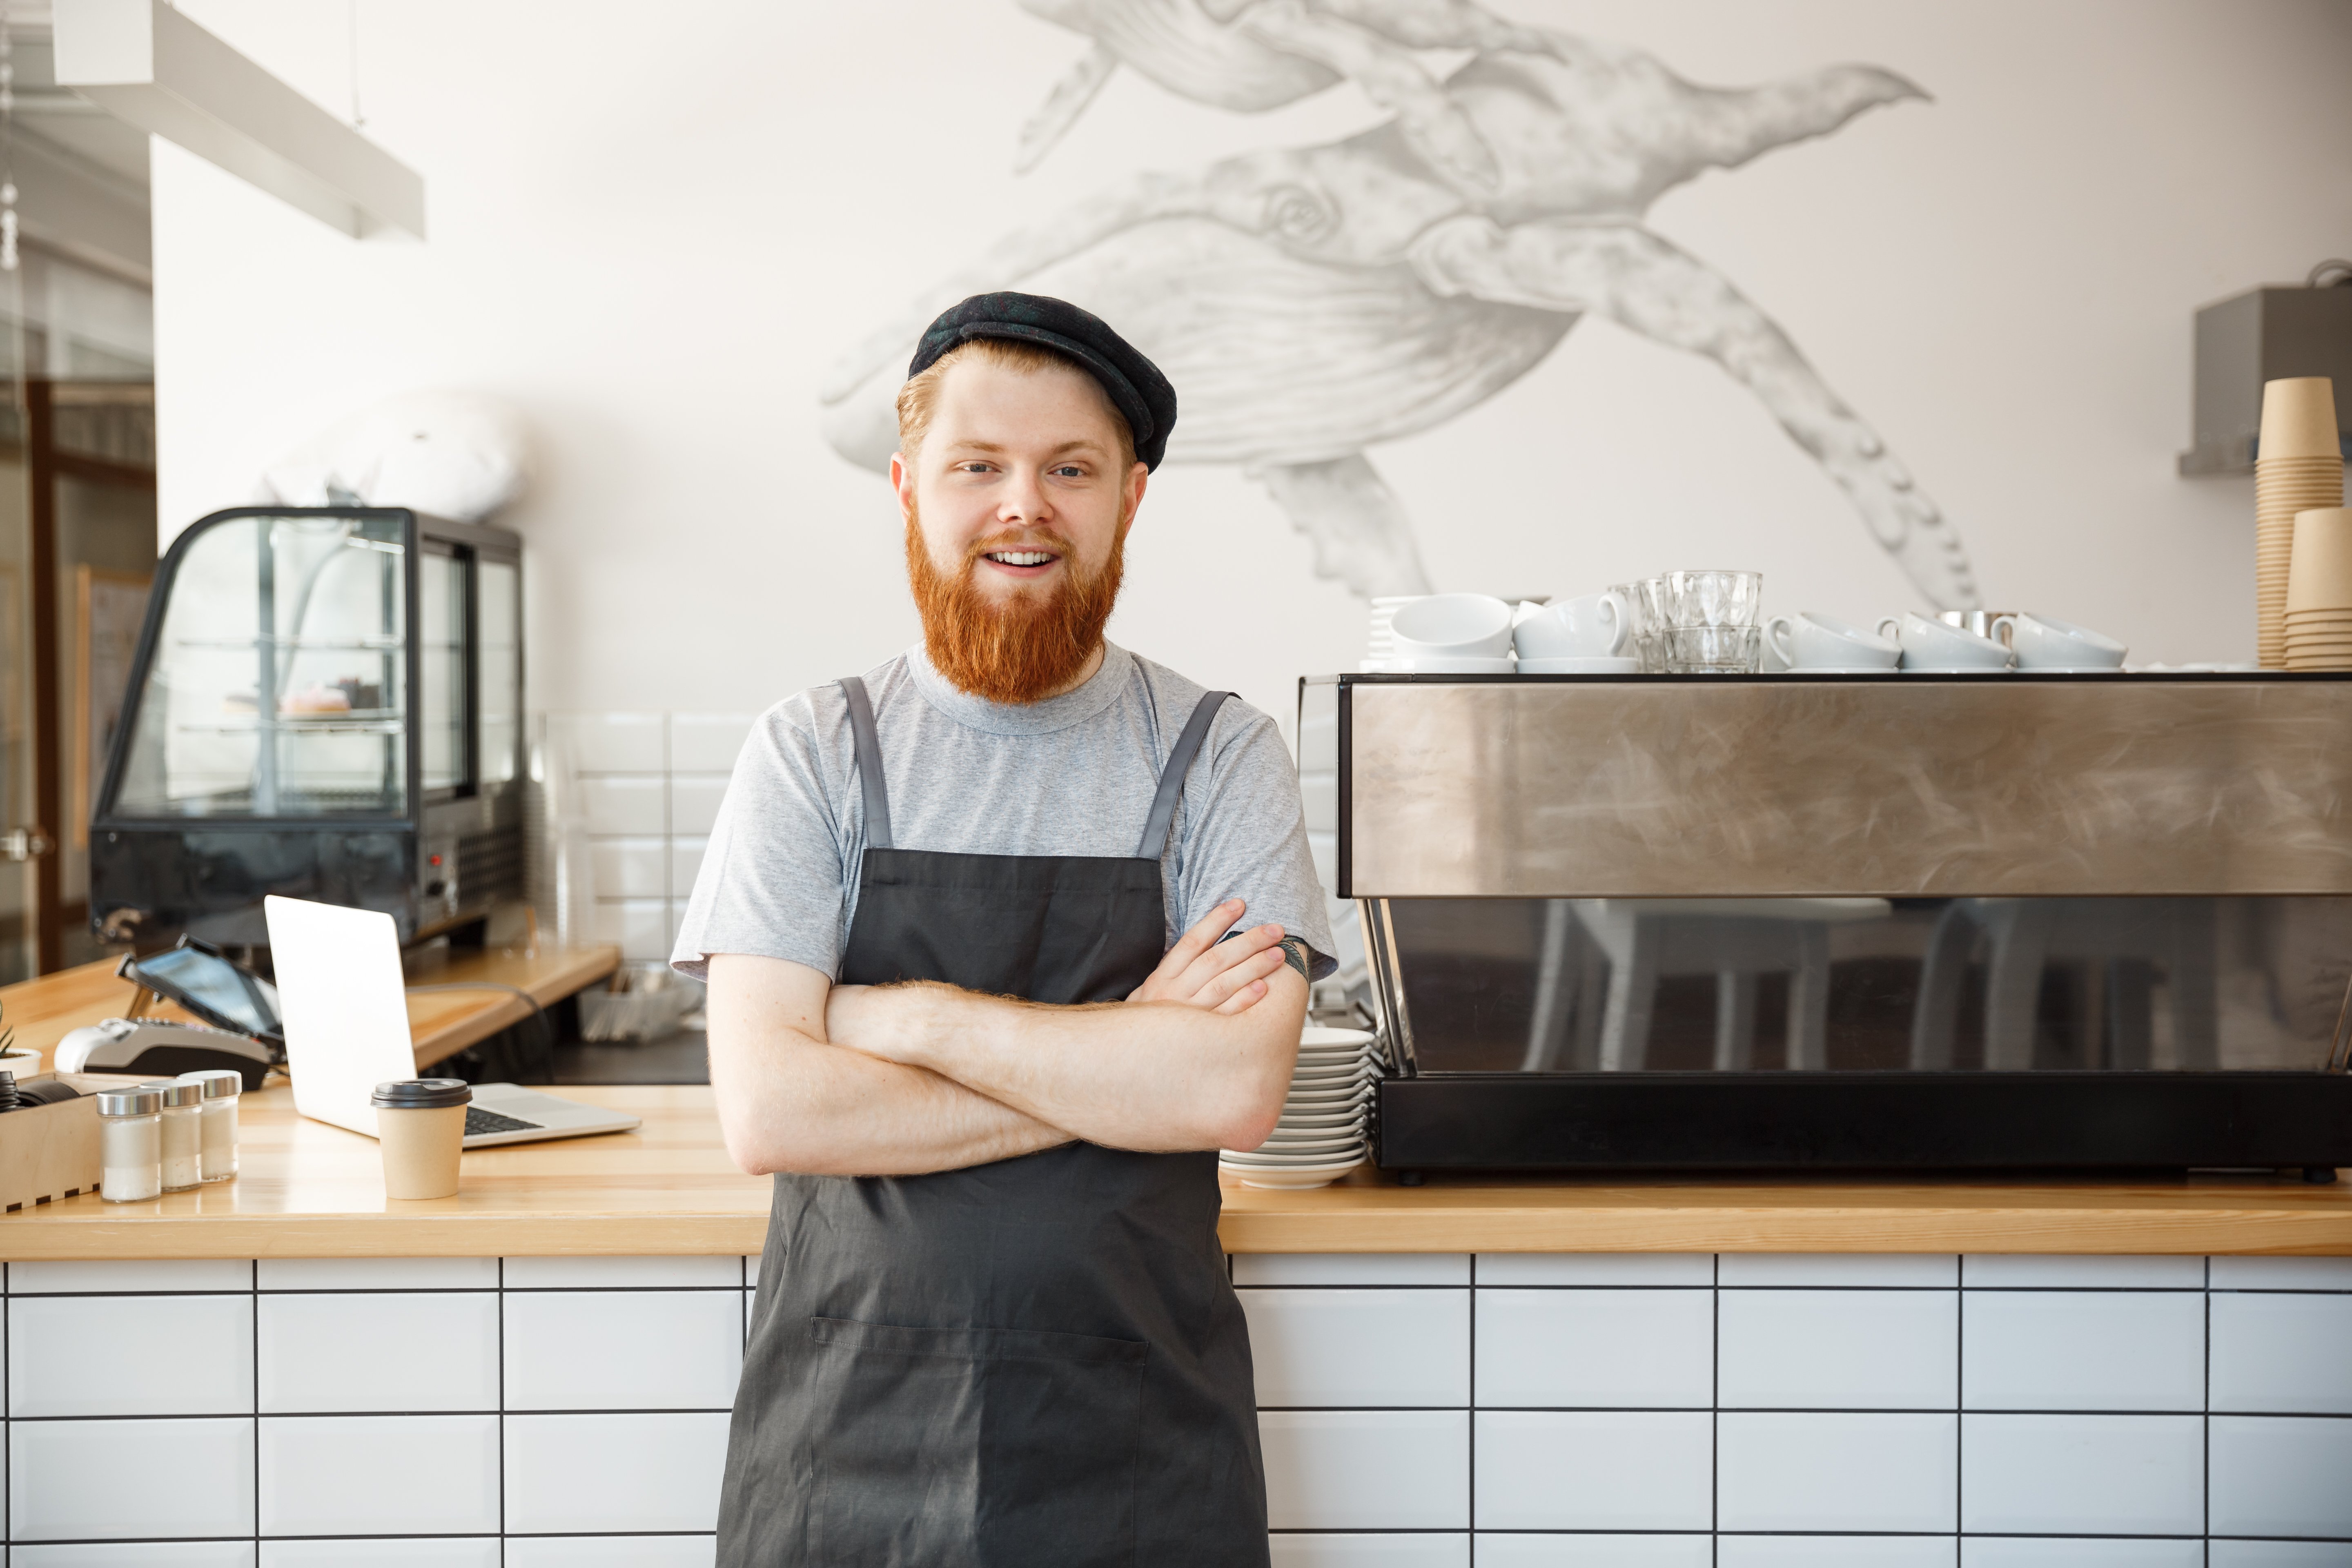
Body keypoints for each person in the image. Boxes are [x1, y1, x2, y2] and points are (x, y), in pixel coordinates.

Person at [673, 291, 1336, 1566]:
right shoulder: (814, 754)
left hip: (1137, 1441)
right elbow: (774, 1112)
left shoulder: (1219, 758)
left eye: (1069, 469)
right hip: (844, 1437)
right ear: (908, 486)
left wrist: (911, 1020)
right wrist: (1129, 1057)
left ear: (1128, 499)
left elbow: (1233, 1093)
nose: (1023, 504)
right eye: (978, 466)